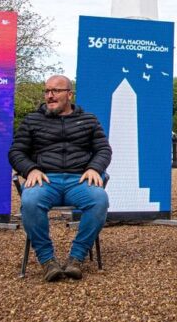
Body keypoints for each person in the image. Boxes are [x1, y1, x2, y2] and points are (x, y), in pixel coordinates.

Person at [9, 74, 112, 282]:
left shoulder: (89, 120)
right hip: (45, 180)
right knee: (30, 201)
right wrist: (30, 170)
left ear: (69, 94)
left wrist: (94, 168)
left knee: (99, 200)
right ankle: (48, 261)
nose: (50, 96)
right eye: (47, 91)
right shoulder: (32, 120)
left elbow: (103, 149)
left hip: (79, 180)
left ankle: (77, 258)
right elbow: (16, 152)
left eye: (55, 91)